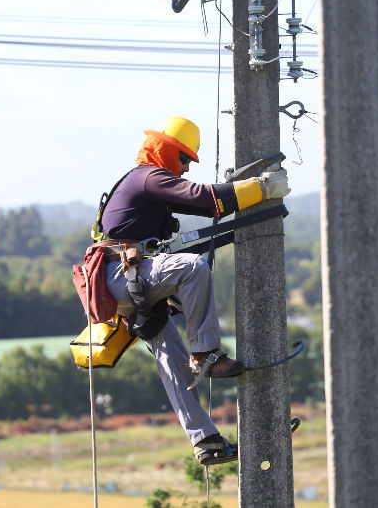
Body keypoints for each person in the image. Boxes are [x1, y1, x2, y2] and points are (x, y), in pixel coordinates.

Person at [97, 116, 290, 465]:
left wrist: (245, 193)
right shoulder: (148, 177)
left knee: (172, 362)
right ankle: (206, 355)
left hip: (131, 284)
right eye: (184, 158)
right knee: (192, 267)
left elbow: (208, 205)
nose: (185, 168)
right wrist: (261, 187)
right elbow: (203, 197)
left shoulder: (151, 185)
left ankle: (206, 441)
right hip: (122, 276)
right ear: (167, 151)